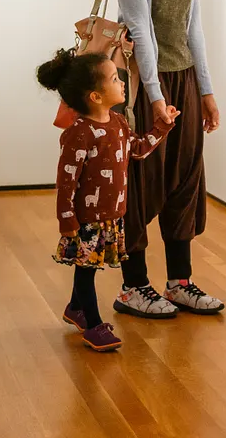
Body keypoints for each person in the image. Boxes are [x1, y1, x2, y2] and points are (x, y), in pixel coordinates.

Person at [110, 0, 225, 319]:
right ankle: (133, 285)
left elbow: (192, 24)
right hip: (142, 85)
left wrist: (206, 89)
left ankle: (180, 281)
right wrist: (155, 97)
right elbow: (138, 25)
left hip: (182, 79)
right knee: (142, 180)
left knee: (185, 178)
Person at [37, 49, 177, 351]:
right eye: (115, 79)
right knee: (87, 271)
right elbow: (66, 181)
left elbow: (137, 150)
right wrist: (67, 219)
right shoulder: (79, 133)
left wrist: (162, 127)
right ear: (95, 96)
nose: (122, 83)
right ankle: (94, 324)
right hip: (87, 220)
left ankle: (76, 308)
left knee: (87, 266)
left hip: (112, 215)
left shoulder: (117, 122)